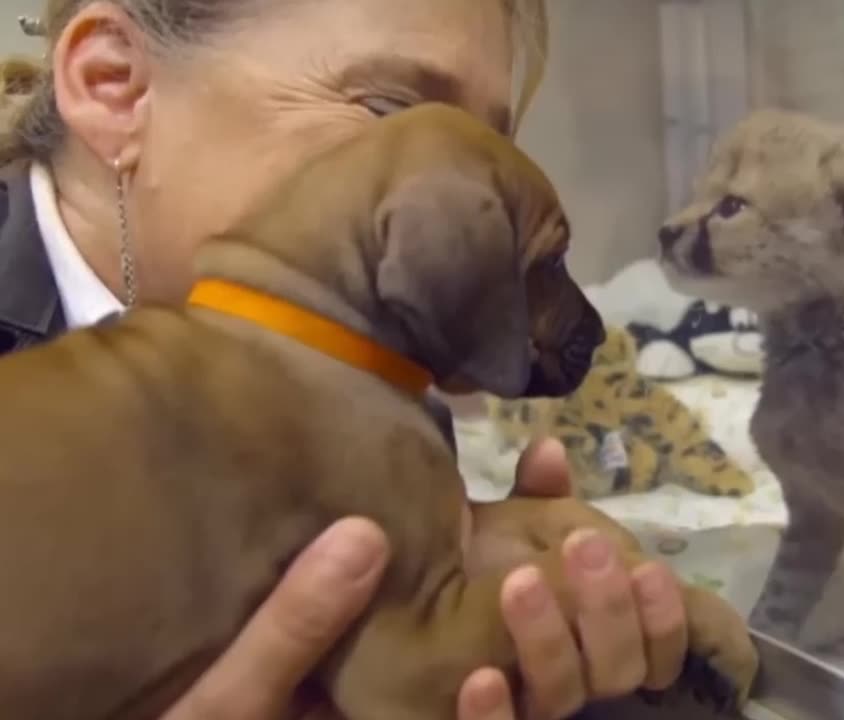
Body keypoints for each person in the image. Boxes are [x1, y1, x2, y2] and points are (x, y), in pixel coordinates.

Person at [0, 1, 692, 718]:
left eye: (481, 147)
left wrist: (470, 596)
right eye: (391, 108)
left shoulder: (354, 361)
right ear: (115, 83)